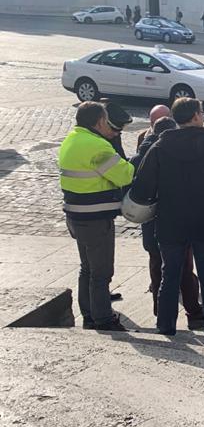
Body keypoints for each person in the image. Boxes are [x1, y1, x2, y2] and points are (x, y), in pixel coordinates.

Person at [130, 98, 204, 341]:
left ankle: (165, 325)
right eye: (202, 112)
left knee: (170, 274)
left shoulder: (160, 146)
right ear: (196, 116)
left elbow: (142, 188)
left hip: (170, 220)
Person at [58, 102, 135, 331]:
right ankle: (103, 319)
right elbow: (125, 175)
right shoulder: (97, 146)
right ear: (100, 121)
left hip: (74, 215)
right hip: (95, 218)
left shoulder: (71, 139)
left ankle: (89, 313)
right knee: (101, 272)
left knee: (87, 268)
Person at [132, 116, 204, 330]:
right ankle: (194, 313)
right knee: (183, 268)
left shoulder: (140, 155)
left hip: (150, 222)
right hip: (176, 220)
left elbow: (135, 189)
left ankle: (162, 316)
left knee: (157, 268)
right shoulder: (179, 151)